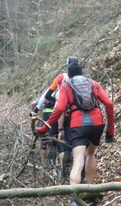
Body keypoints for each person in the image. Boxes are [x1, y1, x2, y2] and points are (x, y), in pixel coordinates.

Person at [39, 58, 114, 191]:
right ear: (81, 72)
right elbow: (108, 104)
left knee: (78, 159)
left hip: (78, 123)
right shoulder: (94, 83)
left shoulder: (66, 85)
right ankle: (90, 191)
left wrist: (46, 127)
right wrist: (110, 131)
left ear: (69, 74)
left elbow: (60, 108)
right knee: (90, 154)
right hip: (97, 122)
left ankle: (75, 197)